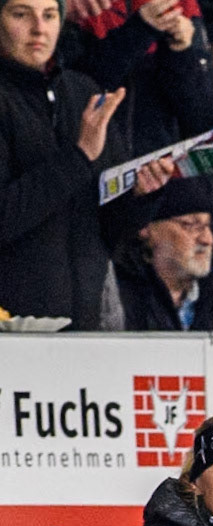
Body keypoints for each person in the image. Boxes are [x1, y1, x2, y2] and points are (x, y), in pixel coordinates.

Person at [0, 0, 170, 327]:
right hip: (11, 330)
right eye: (21, 14)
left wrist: (142, 196)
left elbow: (109, 229)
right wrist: (78, 157)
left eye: (49, 15)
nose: (39, 28)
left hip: (84, 325)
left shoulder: (82, 93)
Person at [65, 0, 213, 158]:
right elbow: (74, 90)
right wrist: (139, 30)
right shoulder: (77, 7)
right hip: (88, 158)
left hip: (157, 168)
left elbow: (201, 123)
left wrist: (180, 53)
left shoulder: (182, 5)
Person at [112, 178, 213, 330]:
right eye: (190, 225)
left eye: (209, 227)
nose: (207, 239)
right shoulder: (118, 297)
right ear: (146, 228)